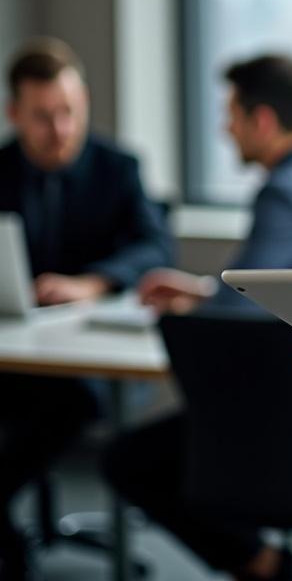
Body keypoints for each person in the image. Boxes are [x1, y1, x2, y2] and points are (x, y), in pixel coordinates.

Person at [104, 53, 292, 581]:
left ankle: (263, 564)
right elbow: (268, 292)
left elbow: (233, 315)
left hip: (285, 421)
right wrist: (199, 291)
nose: (225, 128)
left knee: (126, 460)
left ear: (262, 120)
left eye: (231, 115)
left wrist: (191, 309)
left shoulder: (284, 194)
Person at [0, 37, 173, 580]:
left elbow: (156, 248)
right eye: (43, 117)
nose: (60, 130)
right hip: (17, 350)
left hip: (92, 365)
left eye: (69, 112)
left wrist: (91, 284)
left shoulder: (117, 168)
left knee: (59, 404)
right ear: (14, 114)